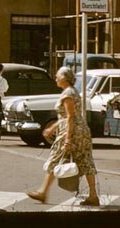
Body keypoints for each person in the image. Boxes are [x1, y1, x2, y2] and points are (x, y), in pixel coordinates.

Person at [26, 65, 100, 206]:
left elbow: (70, 116)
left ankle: (43, 192)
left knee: (55, 159)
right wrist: (52, 128)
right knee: (85, 161)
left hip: (73, 132)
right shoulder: (72, 92)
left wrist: (67, 139)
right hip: (80, 131)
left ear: (64, 78)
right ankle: (93, 195)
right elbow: (66, 117)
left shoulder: (67, 94)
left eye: (57, 76)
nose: (55, 79)